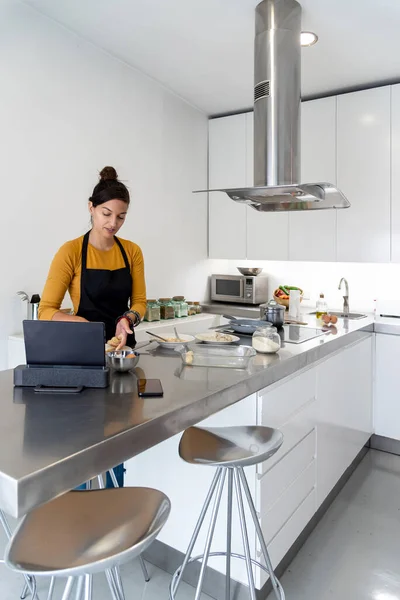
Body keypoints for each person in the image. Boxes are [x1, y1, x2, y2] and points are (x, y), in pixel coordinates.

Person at [39, 166, 147, 487]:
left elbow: (140, 303)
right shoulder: (71, 251)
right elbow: (46, 311)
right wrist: (83, 324)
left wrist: (127, 319)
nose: (113, 223)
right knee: (83, 447)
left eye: (121, 217)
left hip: (121, 358)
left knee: (116, 443)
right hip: (83, 359)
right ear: (91, 208)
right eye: (106, 214)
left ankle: (111, 513)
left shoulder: (132, 252)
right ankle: (81, 515)